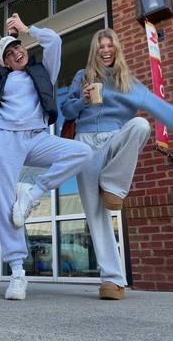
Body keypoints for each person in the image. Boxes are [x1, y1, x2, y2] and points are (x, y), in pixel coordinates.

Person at [0, 13, 93, 300]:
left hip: (37, 136)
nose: (17, 52)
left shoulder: (43, 72)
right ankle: (17, 273)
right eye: (10, 53)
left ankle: (32, 192)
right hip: (2, 138)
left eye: (19, 47)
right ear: (4, 62)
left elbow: (54, 41)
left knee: (82, 152)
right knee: (2, 203)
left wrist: (27, 29)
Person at [61, 28, 173, 300]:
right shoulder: (82, 77)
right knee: (95, 214)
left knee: (140, 124)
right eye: (101, 46)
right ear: (95, 50)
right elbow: (66, 110)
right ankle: (112, 280)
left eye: (110, 45)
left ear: (117, 49)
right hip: (85, 144)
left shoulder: (130, 83)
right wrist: (81, 100)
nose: (106, 50)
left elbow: (162, 109)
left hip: (115, 139)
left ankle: (113, 184)